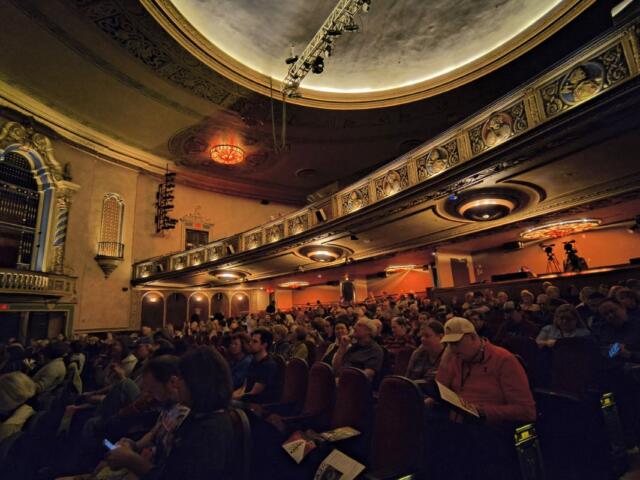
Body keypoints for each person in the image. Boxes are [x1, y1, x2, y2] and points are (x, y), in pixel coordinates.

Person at [428, 317, 536, 480]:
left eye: (456, 343)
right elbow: (440, 389)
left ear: (473, 337)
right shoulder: (457, 358)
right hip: (459, 423)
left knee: (449, 446)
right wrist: (445, 359)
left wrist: (482, 411)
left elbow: (527, 411)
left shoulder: (503, 360)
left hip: (489, 428)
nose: (453, 349)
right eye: (449, 344)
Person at [117, 347, 234, 480]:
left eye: (181, 379)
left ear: (197, 382)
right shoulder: (201, 417)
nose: (177, 385)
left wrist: (131, 460)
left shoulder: (209, 431)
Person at [234, 328, 279, 404]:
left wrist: (231, 399)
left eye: (255, 341)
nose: (250, 344)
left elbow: (253, 393)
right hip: (246, 400)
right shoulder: (254, 361)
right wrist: (230, 396)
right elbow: (244, 387)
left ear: (264, 345)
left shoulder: (268, 365)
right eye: (251, 340)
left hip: (257, 406)